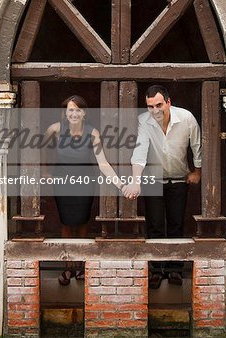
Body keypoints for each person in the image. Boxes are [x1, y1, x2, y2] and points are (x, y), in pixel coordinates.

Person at [122, 85, 201, 287]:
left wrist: (198, 171)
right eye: (150, 106)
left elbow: (197, 146)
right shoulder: (144, 122)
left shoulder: (186, 118)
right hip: (153, 180)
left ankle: (174, 271)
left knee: (176, 225)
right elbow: (139, 153)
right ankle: (156, 270)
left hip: (178, 179)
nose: (155, 110)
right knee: (155, 226)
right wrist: (136, 181)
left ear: (168, 102)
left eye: (159, 105)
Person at [42, 95, 125, 284]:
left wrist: (120, 184)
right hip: (62, 179)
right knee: (66, 222)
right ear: (65, 112)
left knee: (82, 221)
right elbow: (42, 147)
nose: (74, 113)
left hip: (85, 180)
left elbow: (102, 163)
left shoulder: (93, 133)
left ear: (84, 113)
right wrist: (46, 170)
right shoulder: (55, 129)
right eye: (70, 110)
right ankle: (68, 268)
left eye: (78, 110)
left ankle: (80, 266)